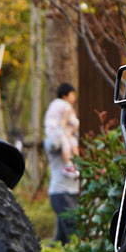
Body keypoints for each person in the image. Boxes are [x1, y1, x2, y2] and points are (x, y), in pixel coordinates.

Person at [44, 83, 80, 243]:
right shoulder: (54, 140)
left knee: (62, 239)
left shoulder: (70, 140)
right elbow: (55, 144)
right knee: (73, 235)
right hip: (61, 193)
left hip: (72, 192)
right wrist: (63, 123)